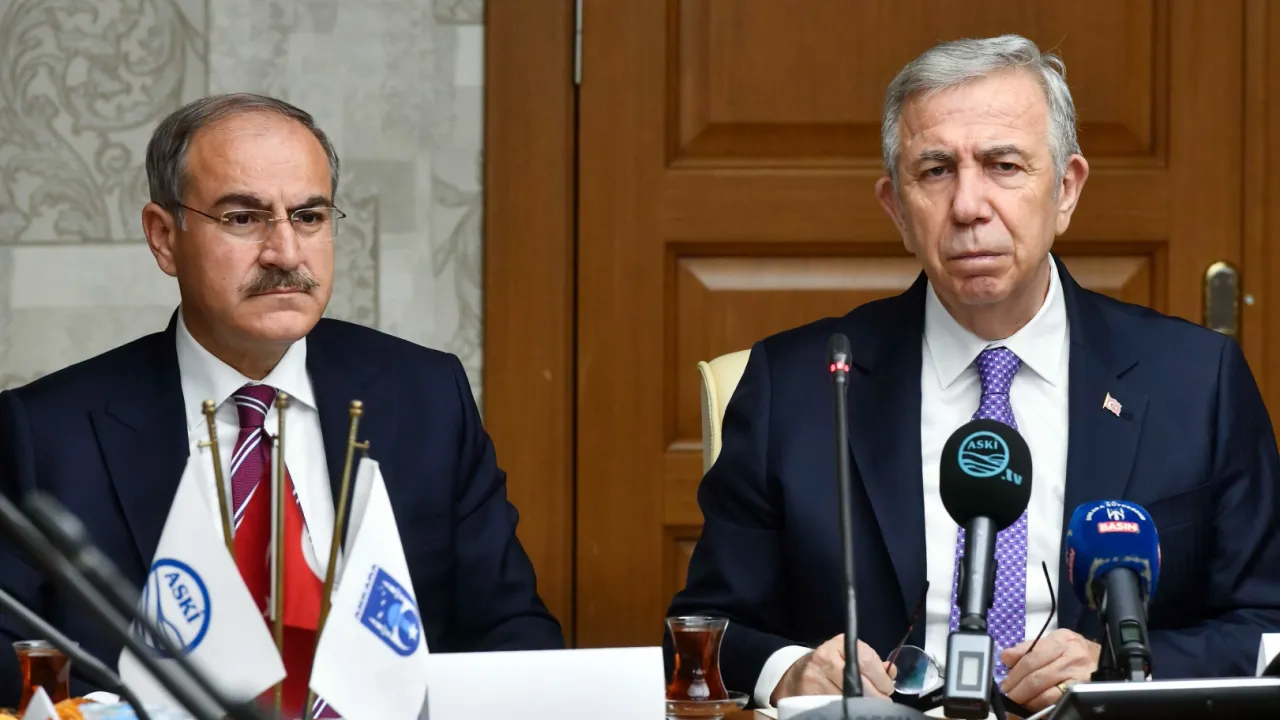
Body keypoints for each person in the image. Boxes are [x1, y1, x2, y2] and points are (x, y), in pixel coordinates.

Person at [665, 34, 1280, 714]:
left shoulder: (1195, 382)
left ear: (1067, 189)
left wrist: (1119, 668)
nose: (968, 207)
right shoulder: (797, 386)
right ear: (896, 207)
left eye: (1003, 165)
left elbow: (1266, 622)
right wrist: (792, 670)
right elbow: (703, 631)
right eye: (935, 172)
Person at [0, 93, 563, 710]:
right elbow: (10, 664)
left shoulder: (427, 397)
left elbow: (512, 632)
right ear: (164, 237)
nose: (286, 252)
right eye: (243, 218)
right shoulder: (46, 433)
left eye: (309, 216)